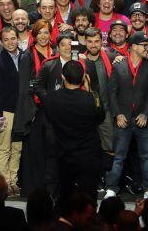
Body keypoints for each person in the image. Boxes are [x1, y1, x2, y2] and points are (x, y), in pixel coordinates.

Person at [104, 32, 148, 200]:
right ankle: (111, 188)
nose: (147, 48)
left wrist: (145, 113)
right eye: (144, 45)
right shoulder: (119, 65)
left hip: (144, 120)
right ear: (134, 47)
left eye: (147, 45)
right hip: (123, 119)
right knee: (119, 156)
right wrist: (118, 114)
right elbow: (111, 93)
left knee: (147, 156)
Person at [44, 61, 105, 208]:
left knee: (66, 197)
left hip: (63, 155)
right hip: (88, 155)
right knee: (89, 199)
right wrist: (90, 90)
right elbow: (100, 118)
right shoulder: (91, 99)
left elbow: (50, 118)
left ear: (63, 77)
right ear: (84, 77)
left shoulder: (51, 98)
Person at [12, 19, 55, 196]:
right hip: (34, 109)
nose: (43, 36)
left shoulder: (56, 53)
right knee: (34, 150)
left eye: (46, 32)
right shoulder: (26, 56)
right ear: (34, 35)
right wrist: (30, 113)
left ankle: (50, 186)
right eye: (40, 33)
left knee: (50, 149)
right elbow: (23, 88)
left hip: (52, 109)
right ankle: (34, 189)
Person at [0, 27, 24, 195]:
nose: (10, 42)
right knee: (4, 148)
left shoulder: (24, 56)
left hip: (20, 112)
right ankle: (4, 184)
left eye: (13, 38)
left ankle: (13, 181)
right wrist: (0, 116)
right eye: (6, 39)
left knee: (17, 147)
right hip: (4, 112)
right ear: (2, 42)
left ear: (18, 39)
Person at [82, 27, 115, 154]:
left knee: (109, 148)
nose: (93, 45)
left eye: (96, 41)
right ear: (85, 42)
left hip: (106, 112)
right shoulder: (79, 60)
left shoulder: (111, 58)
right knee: (87, 149)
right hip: (86, 114)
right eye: (90, 41)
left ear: (102, 41)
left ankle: (108, 174)